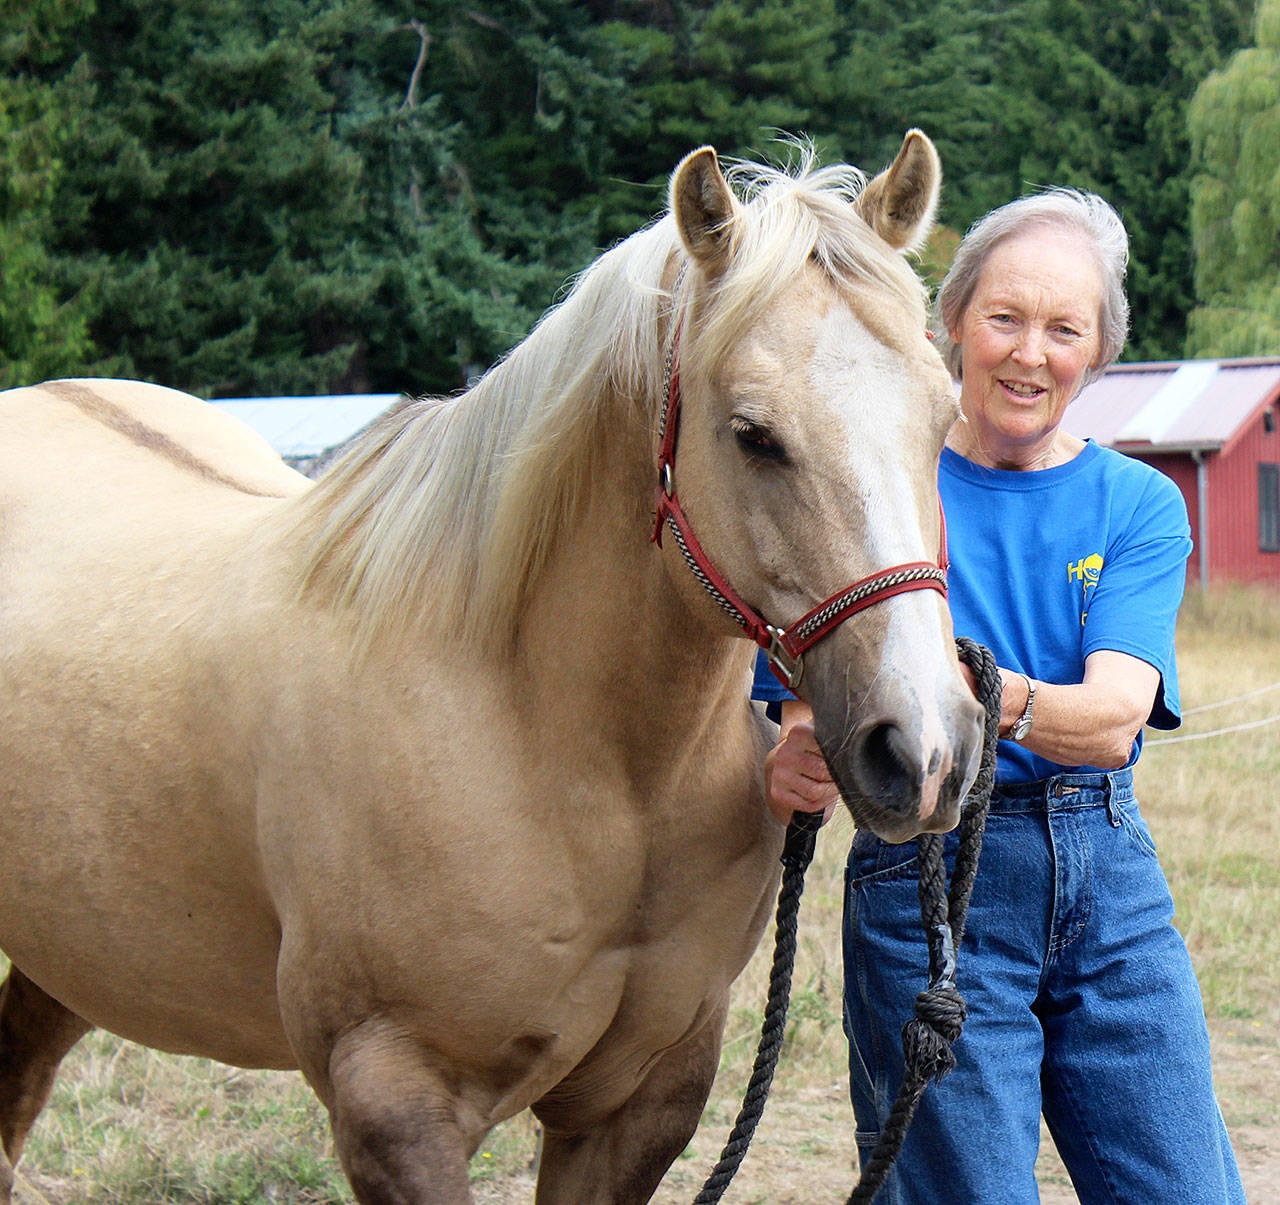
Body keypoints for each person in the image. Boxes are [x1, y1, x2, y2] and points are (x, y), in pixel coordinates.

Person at [754, 189, 1246, 1203]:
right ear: (951, 321)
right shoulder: (875, 487)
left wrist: (971, 687)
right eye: (1003, 317)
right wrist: (797, 759)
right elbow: (805, 712)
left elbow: (1110, 722)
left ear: (1097, 350)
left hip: (1106, 880)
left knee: (1186, 1188)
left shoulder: (1136, 503)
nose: (1029, 352)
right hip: (925, 878)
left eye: (1062, 328)